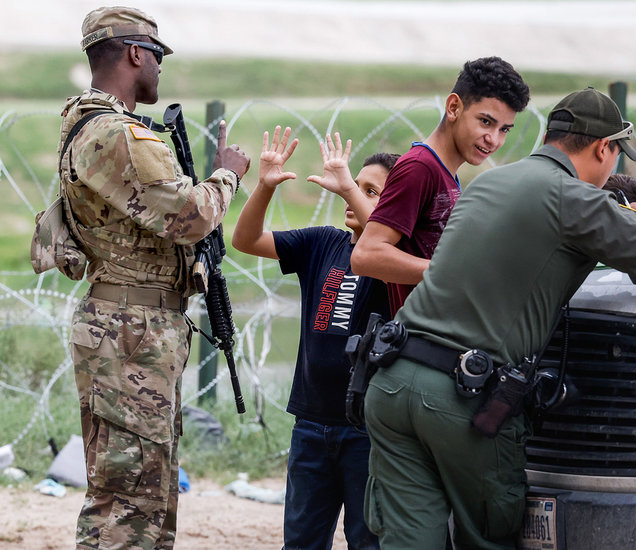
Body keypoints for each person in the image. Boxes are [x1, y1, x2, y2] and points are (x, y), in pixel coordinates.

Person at [362, 87, 636, 549]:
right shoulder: (574, 197)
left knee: (409, 541)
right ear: (604, 149)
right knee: (490, 536)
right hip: (461, 399)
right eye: (616, 156)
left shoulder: (490, 182)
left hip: (392, 381)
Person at [61, 6, 250, 549]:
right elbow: (190, 215)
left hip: (133, 325)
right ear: (135, 54)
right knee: (126, 499)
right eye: (157, 56)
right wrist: (227, 175)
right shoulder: (115, 133)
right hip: (130, 328)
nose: (160, 69)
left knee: (147, 490)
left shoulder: (88, 121)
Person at [232, 128, 396, 550]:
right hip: (311, 424)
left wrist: (347, 188)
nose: (351, 195)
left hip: (367, 432)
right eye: (354, 185)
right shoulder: (323, 243)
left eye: (369, 191)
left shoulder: (399, 264)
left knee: (367, 541)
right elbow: (245, 240)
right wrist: (265, 187)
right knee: (302, 541)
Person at [351, 56, 530, 315]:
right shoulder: (420, 168)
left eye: (505, 130)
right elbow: (366, 256)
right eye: (486, 122)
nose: (493, 140)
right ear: (454, 107)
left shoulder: (445, 173)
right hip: (420, 343)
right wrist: (452, 273)